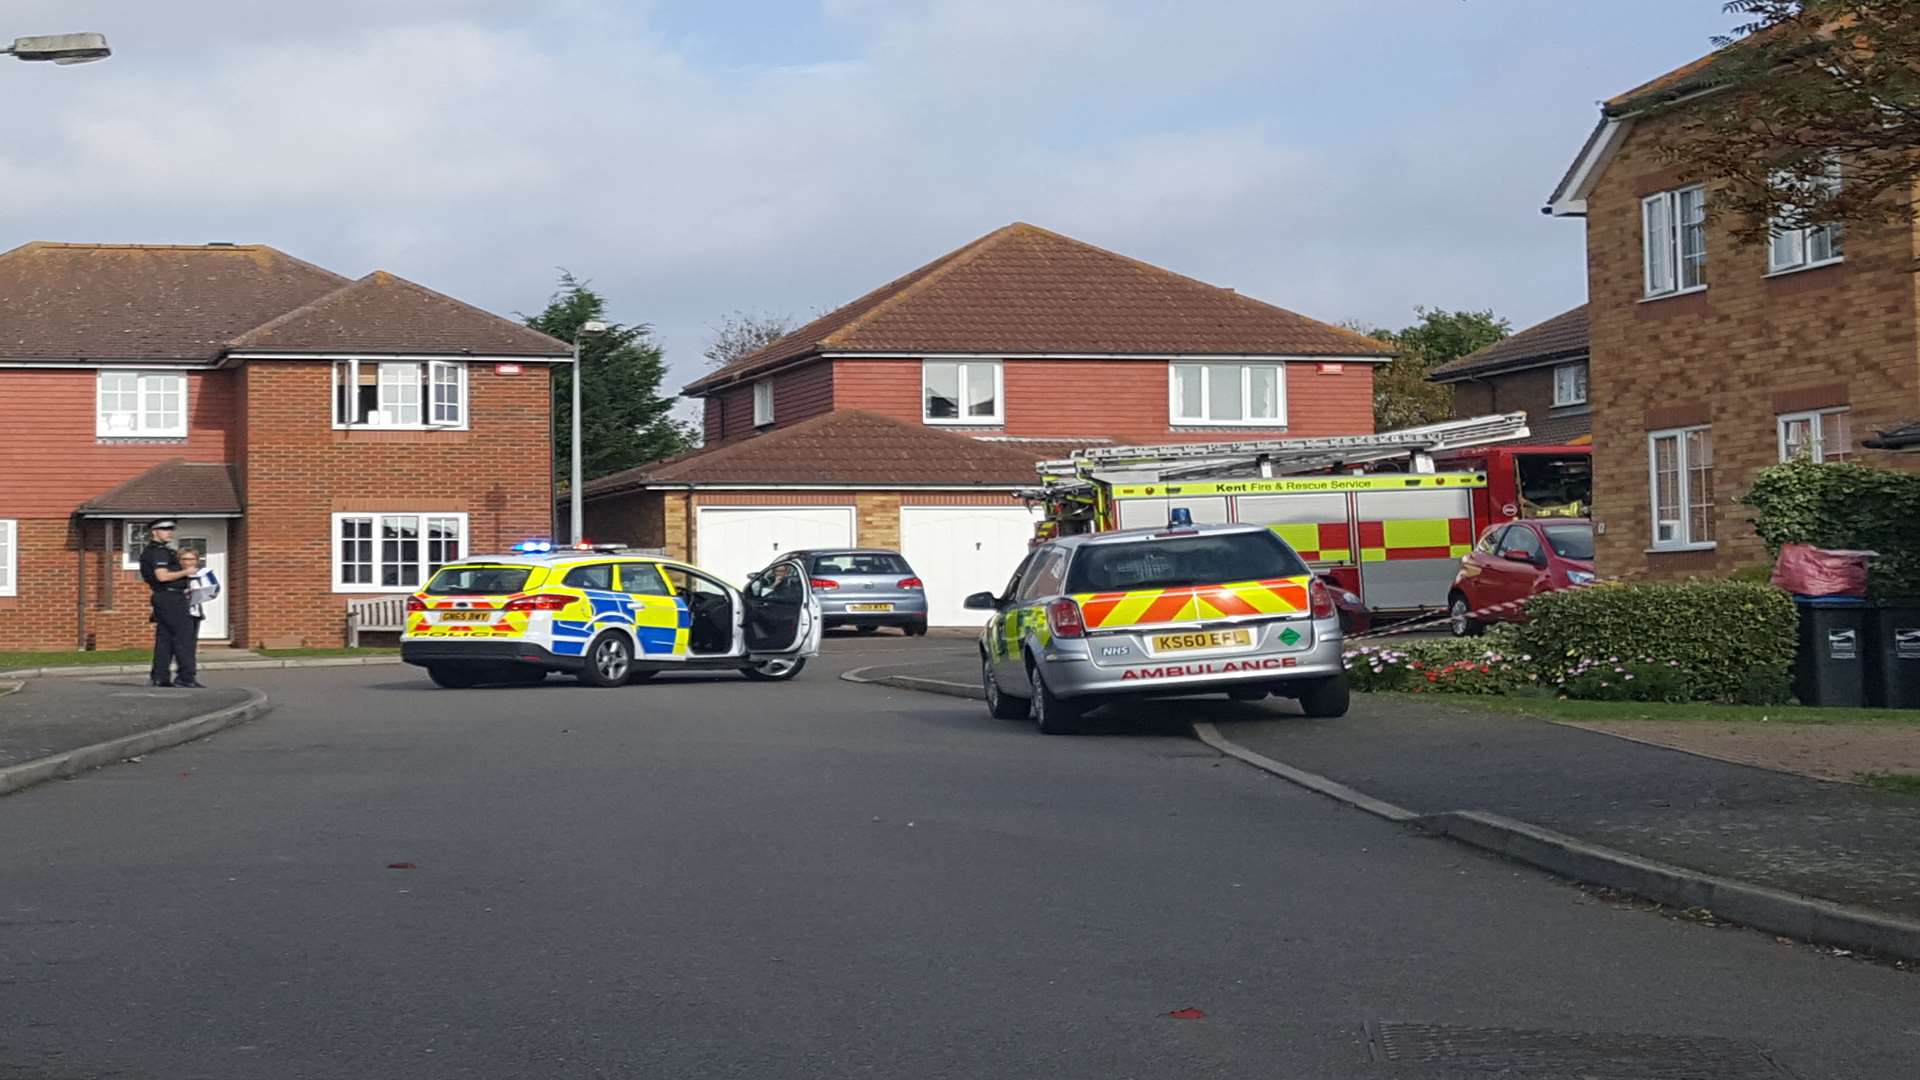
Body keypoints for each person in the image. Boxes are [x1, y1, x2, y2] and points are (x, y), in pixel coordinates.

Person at [139, 519, 202, 688]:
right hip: (171, 599)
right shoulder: (159, 553)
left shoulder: (156, 551)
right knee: (184, 637)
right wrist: (186, 572)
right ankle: (186, 676)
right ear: (154, 532)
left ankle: (160, 676)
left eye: (170, 529)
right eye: (165, 529)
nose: (169, 532)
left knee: (165, 639)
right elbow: (162, 576)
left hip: (164, 597)